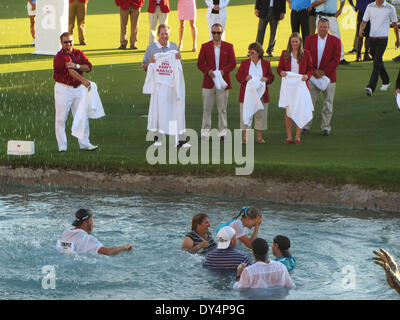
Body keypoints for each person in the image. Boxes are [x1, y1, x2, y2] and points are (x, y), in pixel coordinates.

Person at [53, 32, 98, 152]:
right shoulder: (59, 56)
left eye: (70, 41)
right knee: (61, 118)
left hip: (78, 89)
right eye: (65, 42)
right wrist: (83, 80)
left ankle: (84, 143)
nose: (68, 44)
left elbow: (88, 67)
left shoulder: (79, 53)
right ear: (61, 43)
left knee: (82, 116)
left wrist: (77, 65)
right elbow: (70, 71)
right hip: (63, 89)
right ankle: (62, 147)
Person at [197, 23, 236, 140]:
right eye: (214, 32)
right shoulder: (205, 46)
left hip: (223, 83)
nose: (216, 35)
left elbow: (233, 63)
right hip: (208, 82)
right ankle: (205, 133)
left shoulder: (229, 47)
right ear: (211, 32)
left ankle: (223, 133)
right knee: (206, 109)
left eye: (218, 32)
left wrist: (224, 71)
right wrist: (208, 71)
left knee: (222, 109)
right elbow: (199, 63)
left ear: (222, 32)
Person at [303, 18, 341, 136]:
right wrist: (314, 71)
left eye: (325, 27)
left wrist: (323, 72)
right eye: (321, 27)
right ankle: (305, 126)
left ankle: (325, 127)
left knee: (328, 104)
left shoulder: (335, 41)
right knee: (309, 103)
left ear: (328, 28)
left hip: (329, 77)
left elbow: (336, 59)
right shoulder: (309, 39)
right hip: (313, 76)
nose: (323, 29)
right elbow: (305, 57)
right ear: (317, 27)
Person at [277, 32, 313, 145]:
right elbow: (279, 68)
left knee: (299, 110)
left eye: (296, 41)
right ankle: (289, 137)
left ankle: (297, 137)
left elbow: (311, 69)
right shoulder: (285, 54)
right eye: (292, 42)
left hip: (301, 85)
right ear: (290, 42)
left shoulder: (306, 54)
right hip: (288, 87)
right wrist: (281, 72)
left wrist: (307, 76)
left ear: (300, 42)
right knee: (288, 112)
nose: (294, 44)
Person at [236, 42, 275, 144]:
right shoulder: (245, 63)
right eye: (249, 53)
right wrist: (245, 78)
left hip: (261, 94)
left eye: (252, 53)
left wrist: (266, 79)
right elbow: (238, 76)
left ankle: (259, 137)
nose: (250, 55)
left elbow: (271, 77)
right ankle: (245, 138)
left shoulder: (266, 63)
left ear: (258, 53)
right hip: (247, 95)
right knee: (245, 115)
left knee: (260, 115)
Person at [360, 0, 399, 96]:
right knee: (377, 60)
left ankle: (370, 87)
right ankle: (386, 80)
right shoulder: (370, 6)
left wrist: (397, 39)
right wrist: (361, 29)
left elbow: (394, 25)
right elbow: (364, 21)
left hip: (383, 39)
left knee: (377, 62)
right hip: (372, 39)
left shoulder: (390, 8)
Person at [57, 209, 133, 255]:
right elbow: (107, 252)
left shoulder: (66, 233)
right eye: (91, 221)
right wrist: (123, 247)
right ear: (85, 223)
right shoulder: (87, 239)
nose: (92, 224)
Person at [315, 0, 350, 65]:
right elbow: (313, 4)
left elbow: (342, 0)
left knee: (337, 37)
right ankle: (320, 58)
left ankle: (341, 58)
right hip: (320, 16)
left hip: (331, 17)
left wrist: (340, 9)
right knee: (320, 38)